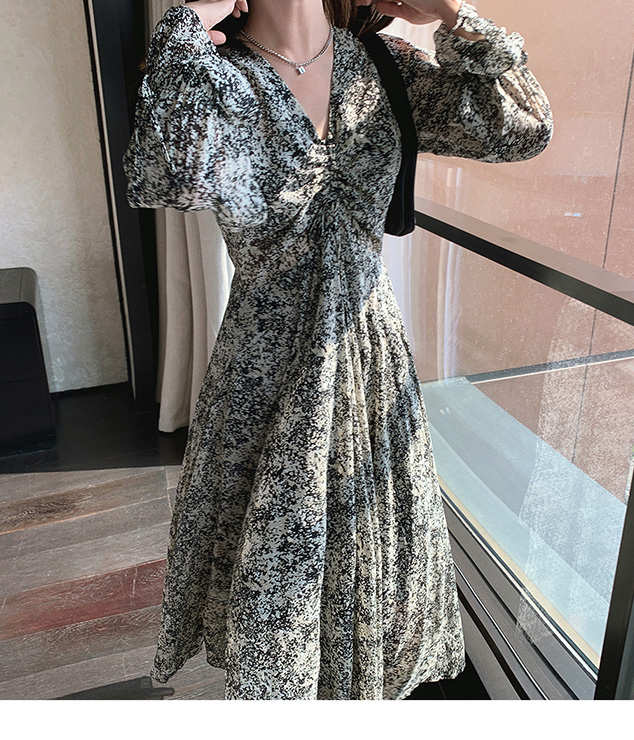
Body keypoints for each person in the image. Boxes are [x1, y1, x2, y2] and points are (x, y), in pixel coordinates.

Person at [122, 0, 552, 700]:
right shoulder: (218, 78)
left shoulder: (383, 68)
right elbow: (160, 173)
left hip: (370, 353)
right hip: (267, 365)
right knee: (282, 570)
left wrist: (452, 13)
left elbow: (523, 130)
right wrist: (186, 23)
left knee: (374, 556)